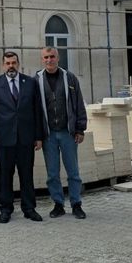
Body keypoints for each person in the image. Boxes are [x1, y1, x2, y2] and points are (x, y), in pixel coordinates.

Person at [0, 50, 44, 223]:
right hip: (4, 140)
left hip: (26, 139)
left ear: (18, 63)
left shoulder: (30, 83)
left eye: (14, 62)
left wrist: (38, 136)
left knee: (26, 175)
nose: (11, 66)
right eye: (8, 63)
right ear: (3, 65)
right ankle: (5, 209)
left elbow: (37, 111)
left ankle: (29, 208)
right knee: (5, 175)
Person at [35, 46, 88, 220]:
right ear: (42, 60)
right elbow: (33, 110)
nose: (49, 60)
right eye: (46, 57)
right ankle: (58, 204)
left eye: (52, 57)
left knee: (73, 171)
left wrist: (80, 128)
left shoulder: (70, 78)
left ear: (58, 58)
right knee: (52, 173)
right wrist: (37, 135)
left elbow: (79, 104)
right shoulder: (37, 80)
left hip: (67, 132)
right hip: (48, 134)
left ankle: (76, 204)